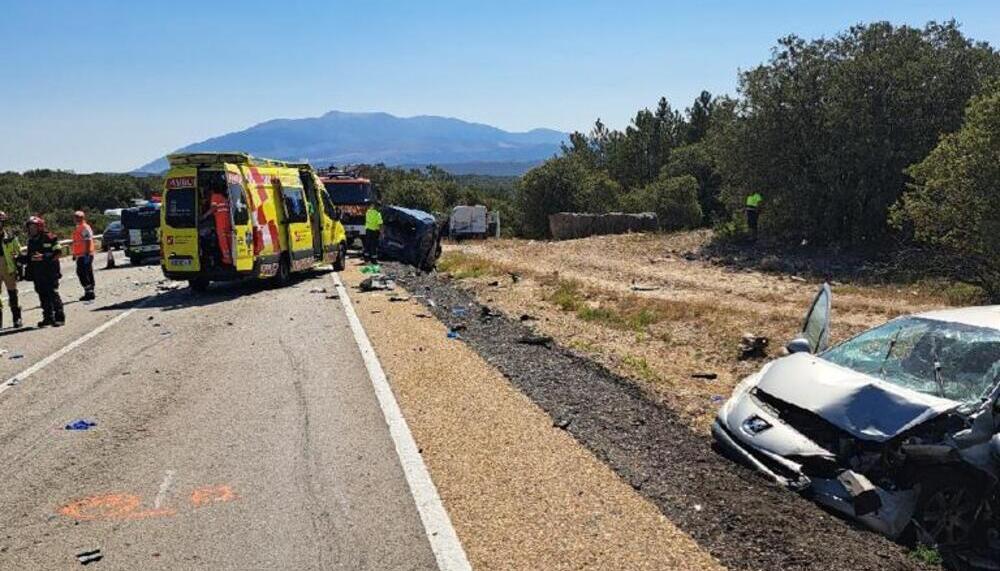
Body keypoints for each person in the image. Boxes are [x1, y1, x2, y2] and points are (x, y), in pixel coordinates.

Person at [22, 216, 64, 327]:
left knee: (53, 294)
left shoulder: (50, 237)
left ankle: (60, 317)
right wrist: (20, 258)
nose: (31, 229)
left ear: (39, 227)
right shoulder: (31, 241)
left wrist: (44, 256)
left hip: (50, 272)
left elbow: (58, 252)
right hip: (38, 274)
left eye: (34, 227)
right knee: (42, 295)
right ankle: (48, 317)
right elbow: (30, 257)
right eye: (30, 227)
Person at [0, 212, 23, 329]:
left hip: (8, 268)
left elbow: (18, 251)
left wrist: (18, 266)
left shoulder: (10, 236)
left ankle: (17, 318)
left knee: (12, 294)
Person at [71, 210, 96, 301]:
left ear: (82, 218)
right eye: (75, 217)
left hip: (85, 254)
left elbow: (88, 240)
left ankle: (89, 291)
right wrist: (74, 254)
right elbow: (76, 242)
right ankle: (90, 291)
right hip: (81, 254)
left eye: (78, 217)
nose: (76, 219)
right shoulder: (79, 227)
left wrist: (86, 253)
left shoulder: (84, 227)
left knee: (82, 273)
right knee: (87, 272)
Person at [210, 189, 233, 266]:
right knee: (229, 239)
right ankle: (231, 257)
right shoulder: (225, 198)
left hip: (221, 223)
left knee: (222, 240)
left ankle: (227, 259)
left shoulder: (215, 196)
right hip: (228, 222)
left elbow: (213, 209)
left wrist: (203, 216)